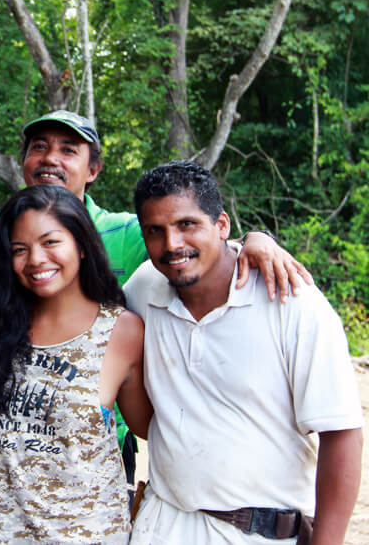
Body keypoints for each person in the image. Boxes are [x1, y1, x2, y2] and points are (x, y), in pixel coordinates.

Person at [0, 109, 313, 492]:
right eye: (39, 147)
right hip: (3, 438)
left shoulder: (126, 233)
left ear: (92, 169)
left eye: (68, 150)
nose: (50, 158)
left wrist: (255, 239)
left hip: (99, 444)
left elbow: (196, 247)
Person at [125, 160, 362, 544]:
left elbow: (342, 433)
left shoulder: (292, 301)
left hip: (260, 532)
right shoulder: (143, 290)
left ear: (221, 226)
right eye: (155, 231)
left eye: (187, 225)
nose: (172, 244)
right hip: (163, 523)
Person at [0, 185, 151, 544]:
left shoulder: (121, 330)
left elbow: (153, 429)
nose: (35, 259)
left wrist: (251, 241)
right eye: (20, 249)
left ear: (81, 245)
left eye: (51, 242)